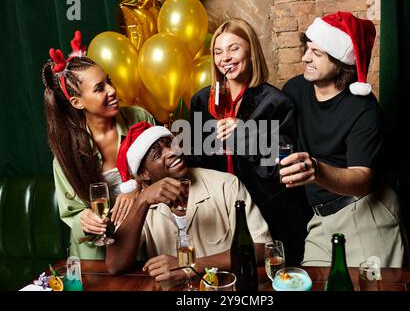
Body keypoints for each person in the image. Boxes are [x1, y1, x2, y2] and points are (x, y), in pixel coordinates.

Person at [281, 12, 404, 267]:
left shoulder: (364, 109)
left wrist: (315, 169)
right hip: (319, 219)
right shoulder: (295, 90)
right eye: (307, 49)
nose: (305, 57)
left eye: (317, 53)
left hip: (364, 213)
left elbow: (361, 180)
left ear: (341, 61)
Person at [189, 18, 309, 265]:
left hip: (270, 211)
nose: (225, 58)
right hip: (220, 213)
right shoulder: (201, 101)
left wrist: (245, 135)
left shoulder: (276, 102)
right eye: (218, 52)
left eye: (234, 48)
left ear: (251, 51)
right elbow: (195, 161)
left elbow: (280, 168)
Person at [105, 122, 272, 281]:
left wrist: (191, 265)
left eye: (172, 144)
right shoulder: (140, 203)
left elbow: (261, 248)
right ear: (143, 174)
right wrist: (142, 200)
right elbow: (114, 266)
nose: (172, 152)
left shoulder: (226, 185)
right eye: (158, 154)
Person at [41, 31, 155, 259]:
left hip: (145, 242)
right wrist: (83, 218)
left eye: (108, 81)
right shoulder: (67, 152)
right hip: (94, 256)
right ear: (77, 102)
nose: (112, 90)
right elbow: (71, 212)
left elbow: (167, 173)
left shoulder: (141, 119)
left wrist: (139, 190)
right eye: (99, 88)